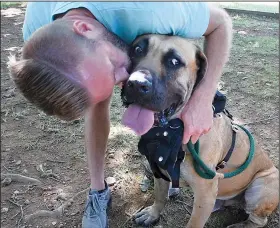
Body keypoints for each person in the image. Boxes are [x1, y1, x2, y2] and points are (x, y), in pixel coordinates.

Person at [8, 2, 232, 228]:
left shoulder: (154, 11)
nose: (126, 76)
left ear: (85, 28)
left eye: (113, 66)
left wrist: (203, 98)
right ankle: (98, 190)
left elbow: (220, 23)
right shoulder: (37, 36)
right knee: (98, 95)